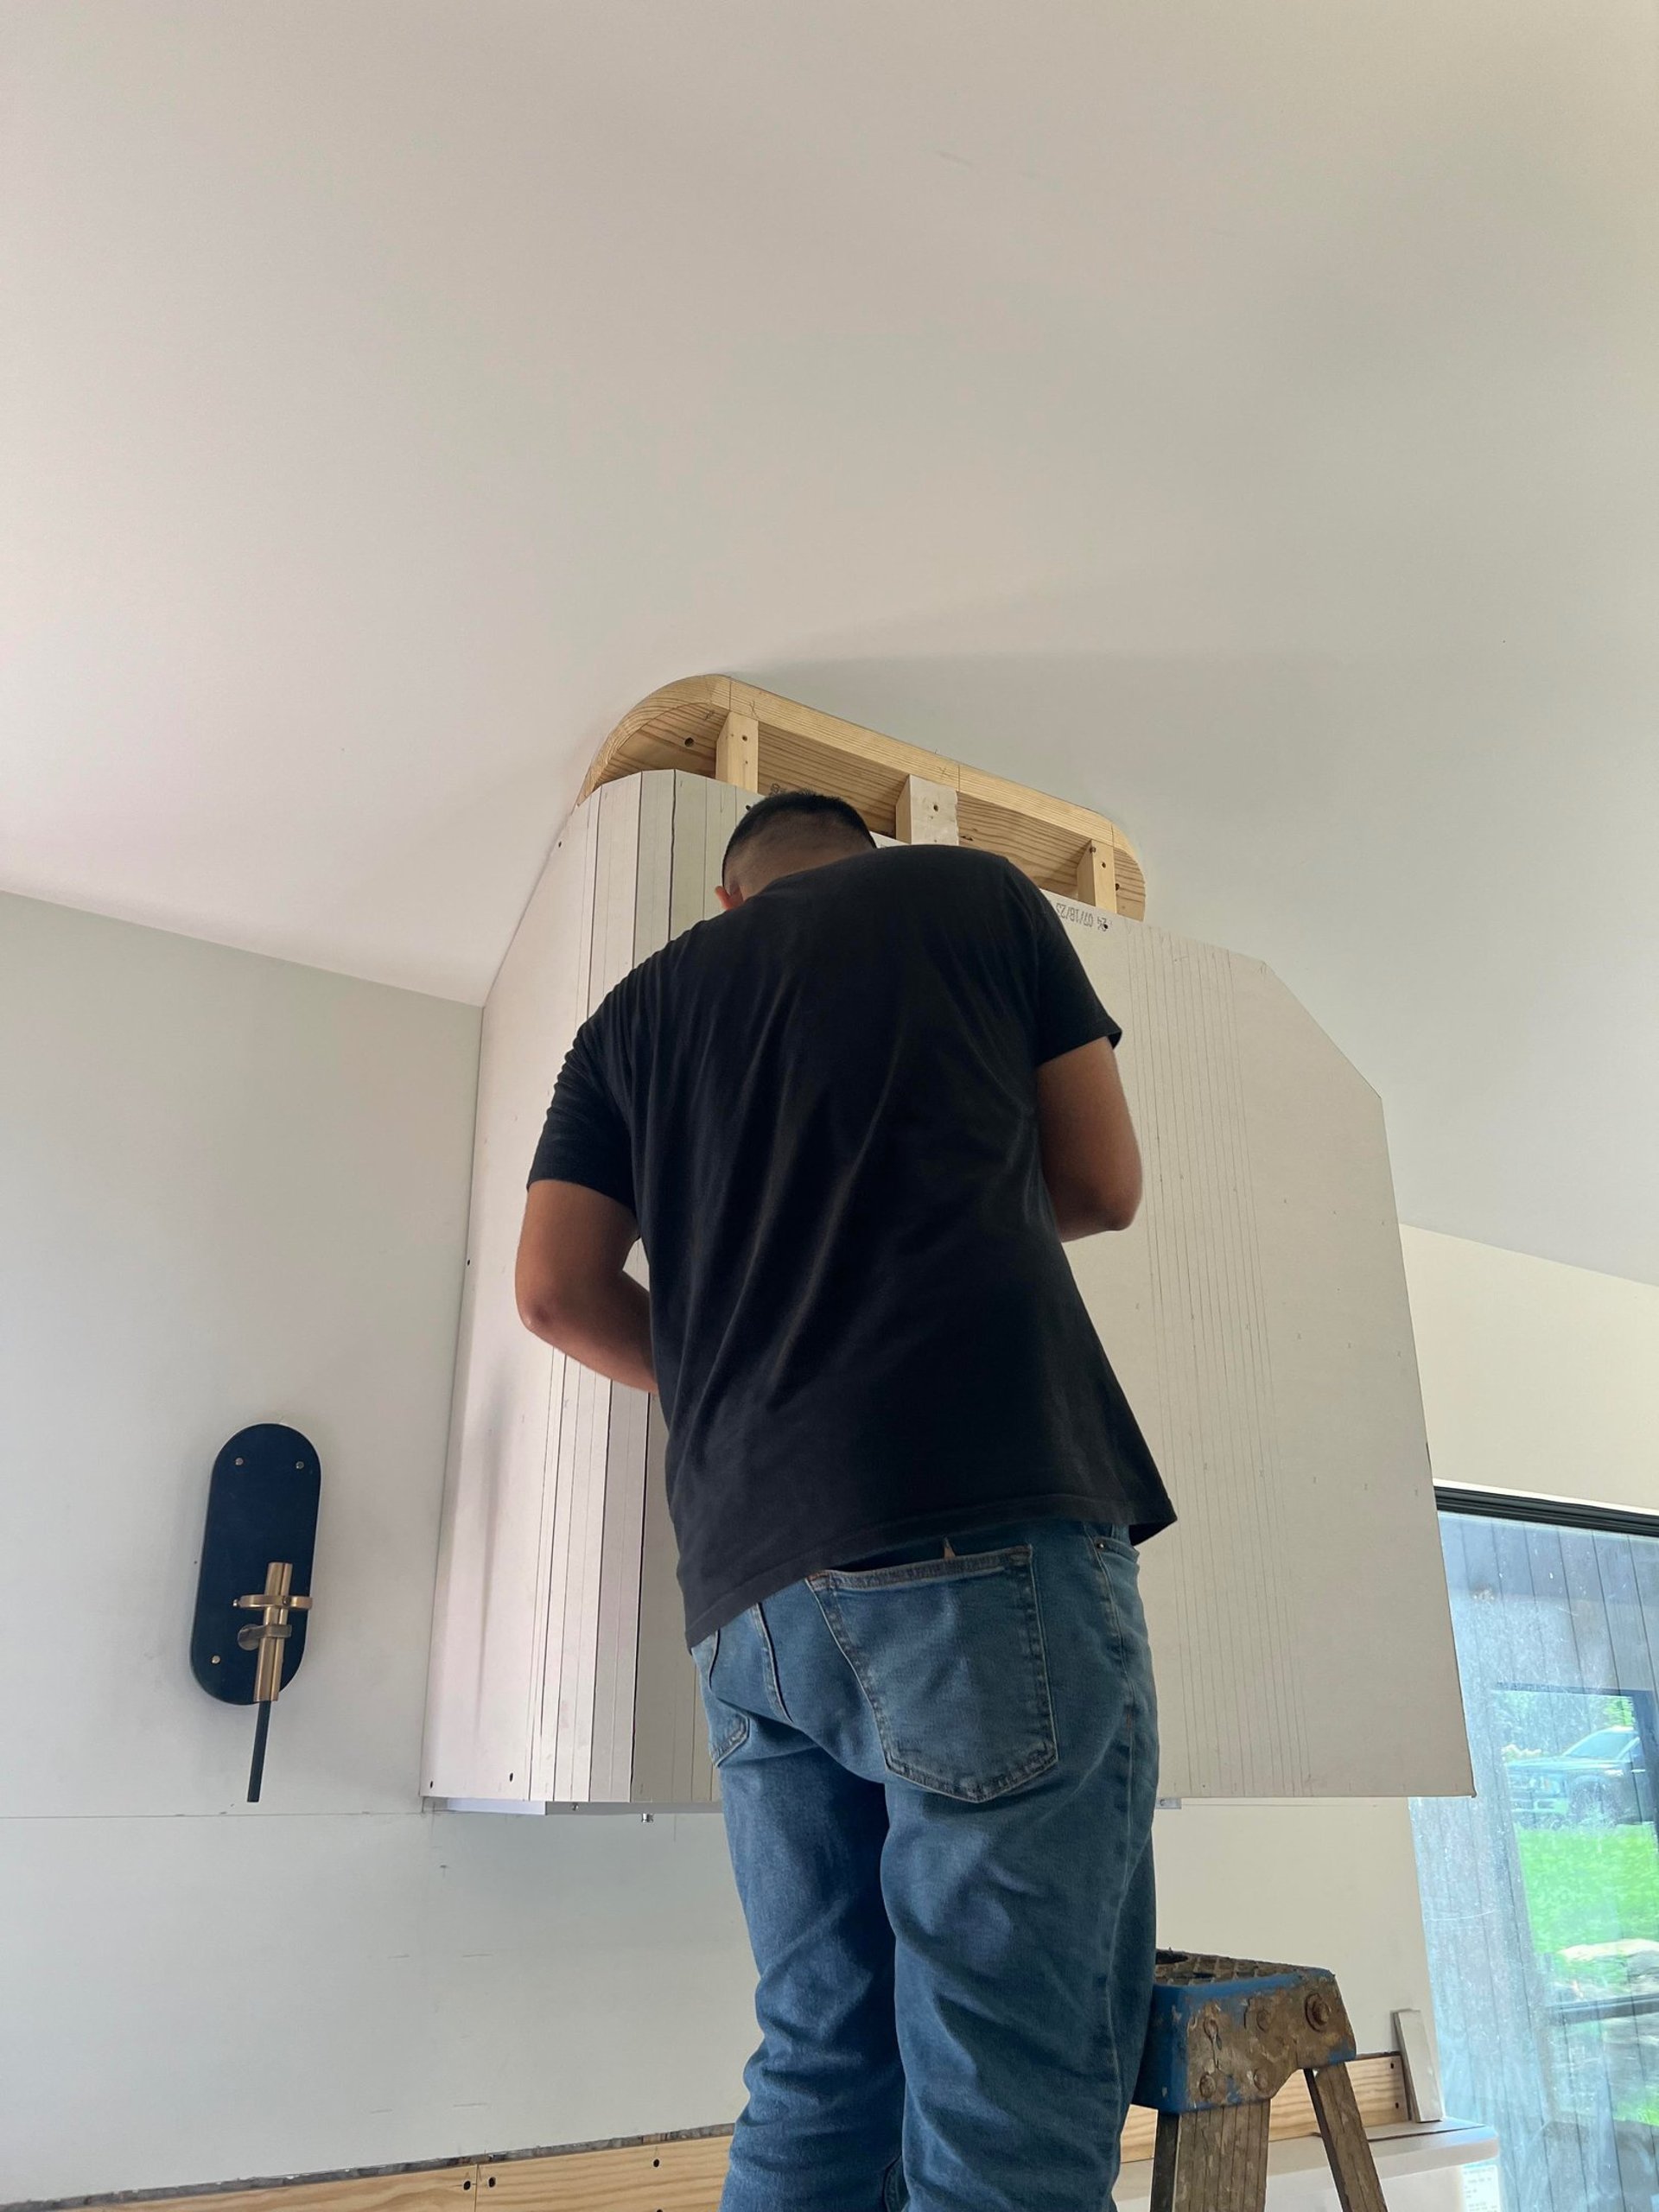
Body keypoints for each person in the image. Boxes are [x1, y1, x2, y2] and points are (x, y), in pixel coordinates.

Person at [516, 789, 1175, 2212]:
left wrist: (739, 1370)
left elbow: (555, 1292)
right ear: (866, 863)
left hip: (750, 1601)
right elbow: (1105, 1181)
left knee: (824, 2057)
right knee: (1009, 2070)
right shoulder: (973, 896)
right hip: (975, 1526)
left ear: (731, 901)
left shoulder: (628, 1017)